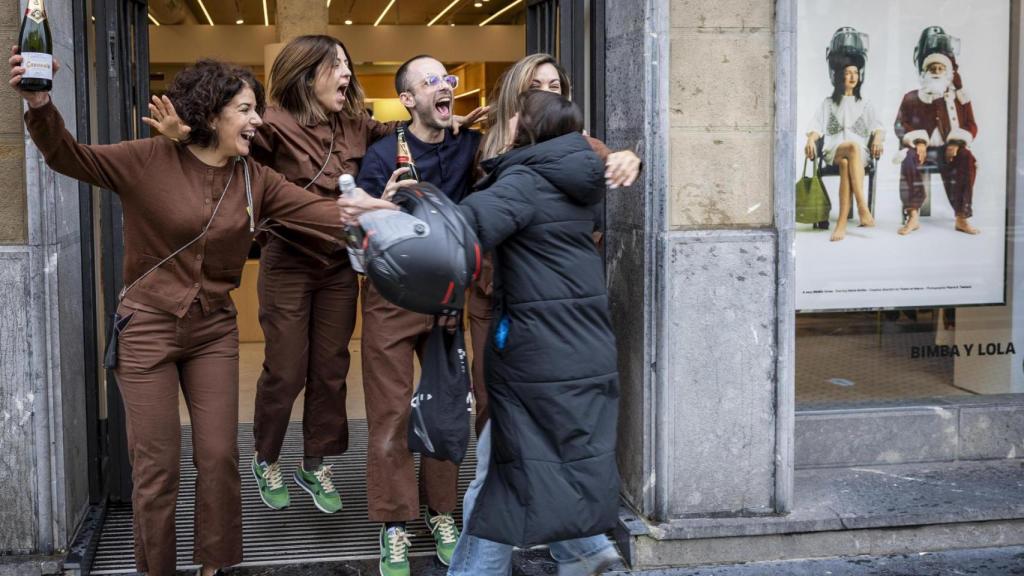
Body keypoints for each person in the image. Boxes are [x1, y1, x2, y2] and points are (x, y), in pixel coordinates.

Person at [9, 52, 349, 576]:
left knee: (218, 457)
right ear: (212, 115)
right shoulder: (148, 159)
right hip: (147, 328)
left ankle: (214, 565)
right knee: (157, 468)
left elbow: (322, 214)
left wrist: (382, 212)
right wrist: (39, 102)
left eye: (256, 108)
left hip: (214, 329)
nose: (258, 119)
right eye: (246, 108)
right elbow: (67, 156)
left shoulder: (256, 179)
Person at [339, 89, 622, 576]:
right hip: (585, 345)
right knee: (546, 461)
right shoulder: (578, 180)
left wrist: (377, 212)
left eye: (514, 116)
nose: (506, 123)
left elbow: (453, 234)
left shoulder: (525, 183)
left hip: (538, 353)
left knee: (500, 468)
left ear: (527, 128)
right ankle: (588, 554)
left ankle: (582, 556)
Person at [466, 53, 642, 439]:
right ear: (516, 93)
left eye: (554, 87)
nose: (545, 93)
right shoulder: (485, 143)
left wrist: (629, 157)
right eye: (535, 86)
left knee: (532, 405)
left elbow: (604, 161)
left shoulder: (576, 145)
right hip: (489, 289)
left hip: (539, 294)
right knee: (488, 396)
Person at [355, 54, 479, 576]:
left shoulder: (471, 147)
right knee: (390, 416)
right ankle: (394, 525)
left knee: (445, 409)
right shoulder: (383, 154)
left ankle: (443, 514)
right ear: (407, 100)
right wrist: (378, 206)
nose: (442, 87)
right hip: (390, 296)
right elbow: (358, 233)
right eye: (429, 82)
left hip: (448, 299)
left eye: (445, 79)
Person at [894, 26, 979, 236]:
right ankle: (912, 216)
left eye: (941, 68)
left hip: (947, 151)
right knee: (909, 160)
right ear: (925, 71)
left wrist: (956, 142)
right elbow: (900, 124)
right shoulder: (911, 97)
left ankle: (962, 217)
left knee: (967, 158)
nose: (936, 71)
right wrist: (918, 141)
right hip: (922, 151)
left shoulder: (959, 99)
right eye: (932, 68)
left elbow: (971, 125)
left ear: (948, 72)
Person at [804, 27, 882, 242]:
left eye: (856, 72)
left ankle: (840, 225)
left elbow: (878, 127)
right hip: (834, 151)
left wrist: (878, 137)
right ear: (838, 75)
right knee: (851, 148)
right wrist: (811, 138)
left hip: (856, 157)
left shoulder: (865, 105)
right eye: (848, 72)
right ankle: (862, 208)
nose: (852, 76)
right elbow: (815, 127)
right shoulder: (828, 104)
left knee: (849, 162)